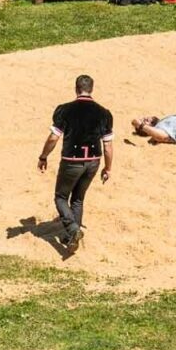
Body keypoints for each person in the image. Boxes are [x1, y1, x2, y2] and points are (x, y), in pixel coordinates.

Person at [37, 73, 113, 256]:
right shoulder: (104, 113)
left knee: (61, 197)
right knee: (78, 199)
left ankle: (72, 230)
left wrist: (43, 156)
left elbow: (54, 137)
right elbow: (108, 145)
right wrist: (108, 168)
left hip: (72, 161)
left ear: (76, 88)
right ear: (91, 89)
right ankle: (72, 235)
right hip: (94, 161)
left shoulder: (64, 110)